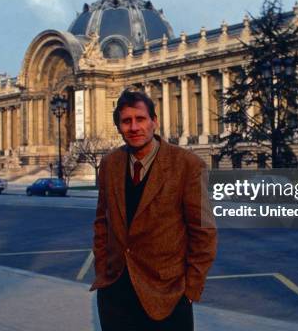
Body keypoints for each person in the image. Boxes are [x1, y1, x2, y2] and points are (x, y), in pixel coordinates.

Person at [91, 89, 217, 331]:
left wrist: (191, 289)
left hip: (167, 296)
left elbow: (204, 233)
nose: (134, 127)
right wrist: (102, 272)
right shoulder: (110, 164)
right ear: (118, 127)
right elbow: (101, 222)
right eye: (126, 121)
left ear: (154, 122)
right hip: (116, 292)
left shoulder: (187, 165)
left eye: (140, 119)